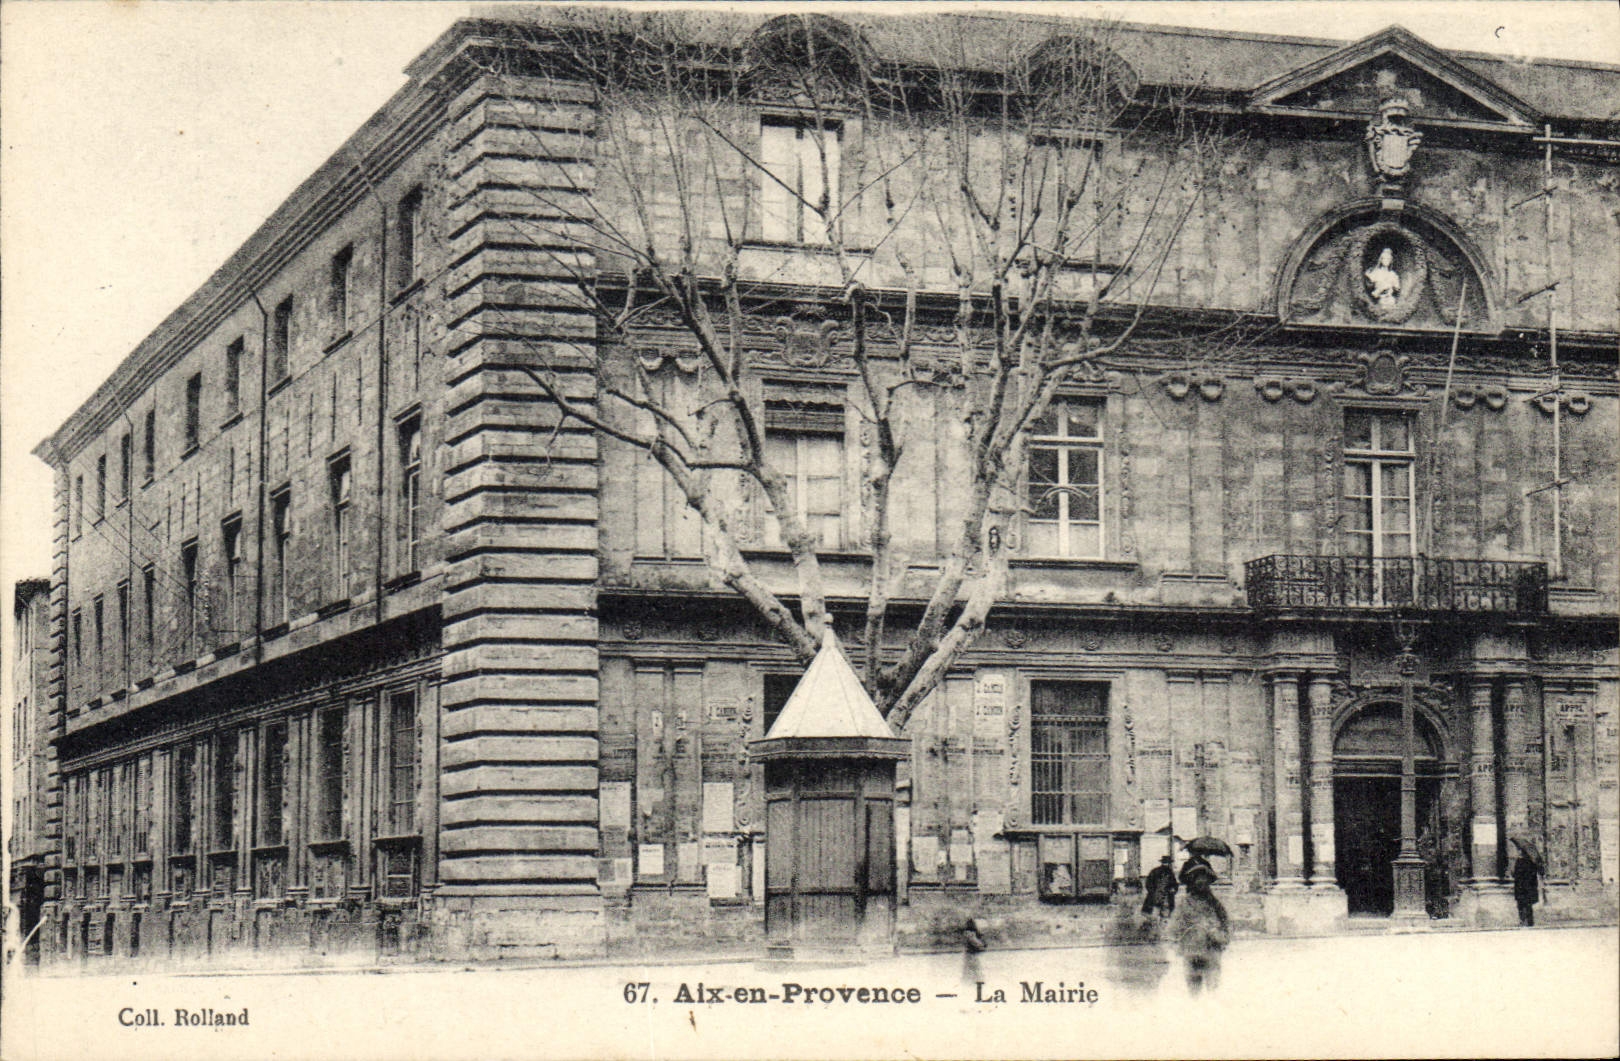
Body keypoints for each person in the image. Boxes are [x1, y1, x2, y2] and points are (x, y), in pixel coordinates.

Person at [1171, 863, 1230, 994]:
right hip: (1192, 949)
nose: (1201, 882)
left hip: (1212, 949)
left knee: (1213, 987)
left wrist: (1219, 933)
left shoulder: (1214, 903)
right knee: (1194, 987)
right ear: (1192, 883)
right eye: (1197, 879)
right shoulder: (1185, 903)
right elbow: (1175, 926)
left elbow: (1225, 922)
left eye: (1204, 879)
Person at [1142, 855, 1179, 919]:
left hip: (1165, 899)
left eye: (1168, 863)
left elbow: (1174, 885)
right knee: (1156, 916)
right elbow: (1149, 884)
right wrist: (1154, 893)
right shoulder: (1156, 872)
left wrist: (1173, 890)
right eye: (1167, 863)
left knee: (1161, 917)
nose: (1168, 864)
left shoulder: (1169, 873)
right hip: (1157, 899)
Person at [1512, 853, 1543, 927]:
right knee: (1528, 905)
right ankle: (1530, 921)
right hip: (1529, 888)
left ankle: (1522, 920)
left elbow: (1516, 875)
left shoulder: (1519, 862)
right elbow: (1535, 875)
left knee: (1520, 905)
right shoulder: (1532, 863)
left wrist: (1513, 874)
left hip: (1520, 887)